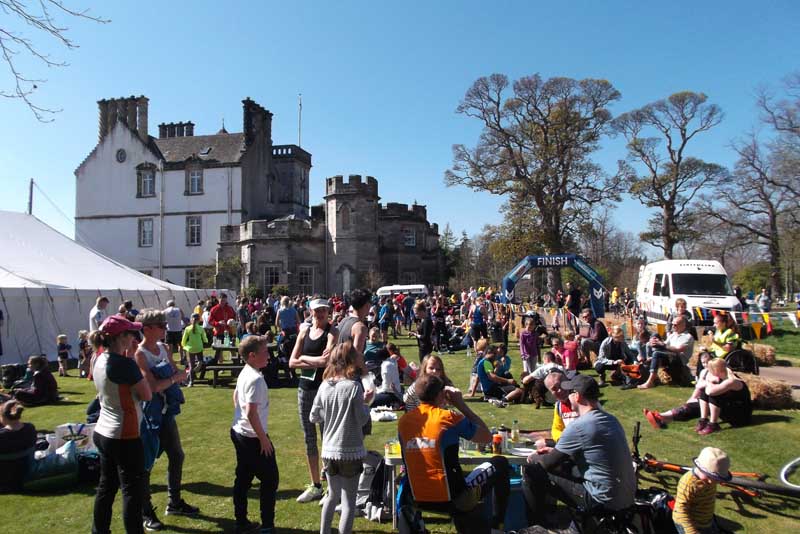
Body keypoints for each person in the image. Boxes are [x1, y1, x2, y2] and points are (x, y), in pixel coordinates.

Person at [398, 374, 510, 533]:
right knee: (500, 463)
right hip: (453, 499)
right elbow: (486, 437)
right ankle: (496, 526)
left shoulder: (404, 422)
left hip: (417, 498)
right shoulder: (448, 418)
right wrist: (460, 404)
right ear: (440, 394)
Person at [522, 374, 636, 528]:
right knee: (568, 468)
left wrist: (536, 457)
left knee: (532, 470)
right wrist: (556, 450)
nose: (568, 396)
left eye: (570, 393)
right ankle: (574, 525)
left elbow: (547, 464)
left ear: (577, 396)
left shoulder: (579, 426)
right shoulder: (611, 419)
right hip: (626, 497)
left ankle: (537, 526)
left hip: (601, 500)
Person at [134, 310, 195, 531]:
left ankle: (174, 502)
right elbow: (150, 389)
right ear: (147, 328)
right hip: (150, 415)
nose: (165, 328)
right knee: (147, 463)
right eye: (160, 325)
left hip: (167, 411)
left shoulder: (164, 348)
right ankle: (145, 511)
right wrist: (174, 378)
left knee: (177, 455)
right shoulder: (140, 354)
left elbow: (175, 371)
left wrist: (180, 374)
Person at [91, 315, 153, 534]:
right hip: (124, 434)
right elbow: (146, 395)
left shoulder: (99, 358)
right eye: (130, 333)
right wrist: (133, 362)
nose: (135, 337)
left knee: (106, 487)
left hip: (103, 430)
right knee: (132, 491)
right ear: (122, 337)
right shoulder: (126, 364)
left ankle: (99, 531)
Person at [310, 341, 372, 534]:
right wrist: (366, 404)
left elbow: (313, 416)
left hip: (329, 450)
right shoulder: (354, 387)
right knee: (348, 502)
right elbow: (361, 420)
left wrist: (329, 414)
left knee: (331, 495)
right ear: (351, 361)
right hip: (350, 450)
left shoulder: (324, 386)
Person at [289, 298, 338, 503]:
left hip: (324, 389)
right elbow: (292, 362)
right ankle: (316, 484)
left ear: (328, 312)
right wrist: (313, 360)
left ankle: (332, 486)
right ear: (310, 312)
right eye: (316, 311)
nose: (320, 314)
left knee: (328, 436)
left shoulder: (332, 333)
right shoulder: (304, 332)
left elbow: (327, 361)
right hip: (305, 389)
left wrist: (305, 359)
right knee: (309, 437)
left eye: (323, 311)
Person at [231, 335, 278, 534]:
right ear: (252, 356)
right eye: (265, 352)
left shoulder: (247, 372)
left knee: (243, 477)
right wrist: (263, 439)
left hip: (240, 432)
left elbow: (236, 396)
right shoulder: (256, 379)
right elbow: (250, 412)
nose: (269, 355)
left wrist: (240, 416)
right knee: (270, 480)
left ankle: (241, 521)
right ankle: (267, 525)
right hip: (251, 437)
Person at [643, 351, 714, 430]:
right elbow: (697, 389)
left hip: (714, 402)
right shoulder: (703, 372)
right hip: (704, 399)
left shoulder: (716, 372)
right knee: (688, 406)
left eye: (707, 362)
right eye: (703, 363)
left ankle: (661, 417)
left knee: (688, 408)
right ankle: (662, 418)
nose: (705, 364)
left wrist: (703, 384)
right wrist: (691, 399)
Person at [673, 447, 732, 534]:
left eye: (716, 479)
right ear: (699, 468)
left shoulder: (708, 481)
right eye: (709, 476)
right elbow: (680, 510)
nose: (711, 481)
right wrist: (691, 531)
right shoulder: (688, 483)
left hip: (705, 521)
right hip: (688, 524)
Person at [695, 358, 751, 435]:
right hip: (729, 408)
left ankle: (713, 424)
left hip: (740, 415)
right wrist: (708, 383)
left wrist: (708, 384)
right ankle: (703, 419)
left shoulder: (732, 381)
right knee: (704, 391)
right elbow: (698, 385)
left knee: (714, 394)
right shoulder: (720, 378)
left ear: (716, 370)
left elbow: (710, 392)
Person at [638, 316, 695, 389]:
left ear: (683, 325)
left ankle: (650, 382)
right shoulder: (673, 335)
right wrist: (654, 342)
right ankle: (647, 363)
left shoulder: (688, 337)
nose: (673, 326)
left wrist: (661, 344)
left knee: (657, 353)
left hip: (679, 359)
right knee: (651, 342)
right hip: (670, 355)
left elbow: (678, 349)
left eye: (675, 325)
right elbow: (664, 344)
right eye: (672, 324)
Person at [533, 371, 578, 451]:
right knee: (539, 444)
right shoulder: (559, 406)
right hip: (568, 443)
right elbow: (556, 429)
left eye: (562, 385)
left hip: (585, 445)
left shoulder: (583, 400)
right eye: (554, 389)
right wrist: (562, 439)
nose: (560, 390)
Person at [0, 399, 37, 492]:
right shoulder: (30, 428)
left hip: (5, 480)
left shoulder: (2, 436)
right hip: (28, 473)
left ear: (3, 417)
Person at [181, 313, 207, 387]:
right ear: (199, 320)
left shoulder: (187, 329)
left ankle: (191, 382)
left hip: (190, 348)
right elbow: (205, 339)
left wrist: (184, 345)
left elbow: (183, 340)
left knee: (191, 365)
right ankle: (199, 364)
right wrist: (206, 341)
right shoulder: (201, 328)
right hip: (199, 347)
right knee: (201, 361)